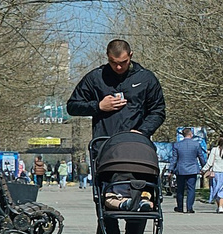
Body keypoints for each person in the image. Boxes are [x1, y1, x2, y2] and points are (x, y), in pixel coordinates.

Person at [66, 40, 167, 170]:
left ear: (131, 55)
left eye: (123, 62)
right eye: (113, 62)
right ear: (107, 56)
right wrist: (98, 106)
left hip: (136, 146)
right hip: (105, 147)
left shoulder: (146, 78)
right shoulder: (96, 78)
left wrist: (142, 131)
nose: (118, 67)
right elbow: (72, 106)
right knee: (108, 188)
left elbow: (158, 111)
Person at [170, 128, 208, 214]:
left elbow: (174, 159)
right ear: (190, 134)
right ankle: (189, 208)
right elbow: (201, 157)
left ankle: (180, 207)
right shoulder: (196, 144)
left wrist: (170, 169)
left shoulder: (177, 145)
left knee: (180, 189)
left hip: (181, 169)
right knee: (191, 189)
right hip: (192, 169)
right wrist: (205, 167)